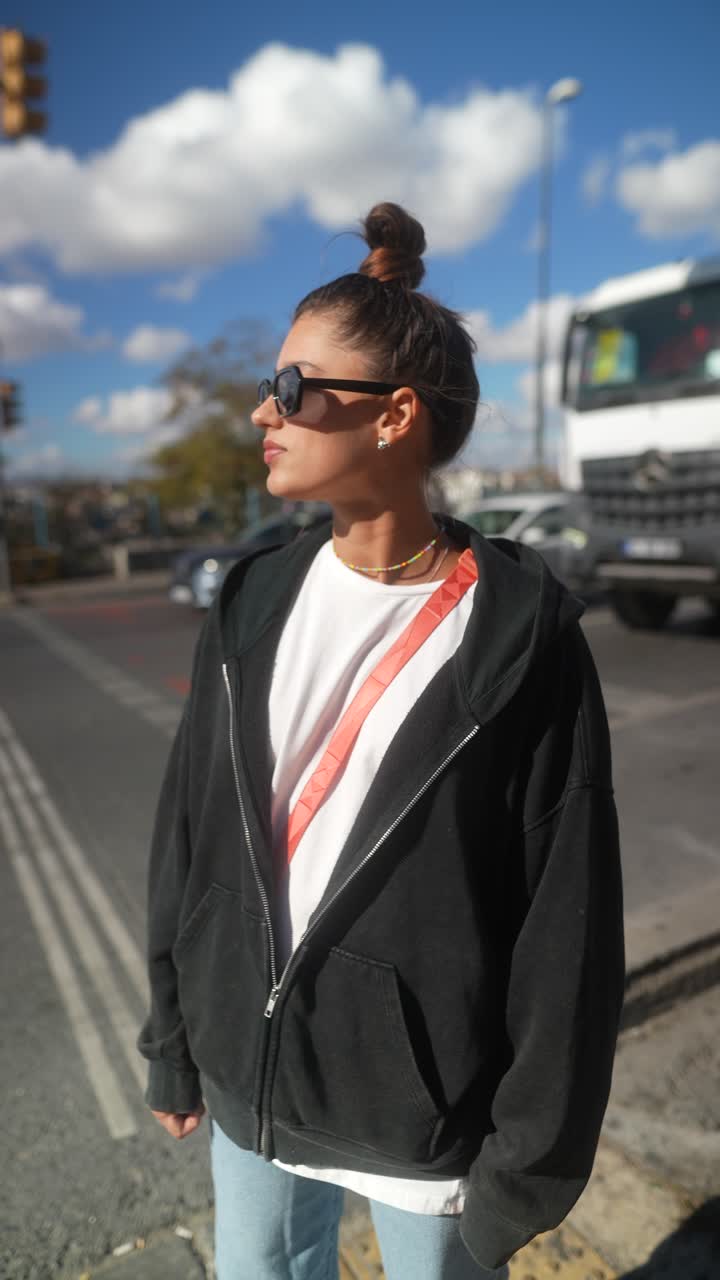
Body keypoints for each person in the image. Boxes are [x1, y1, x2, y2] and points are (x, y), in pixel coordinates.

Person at [138, 202, 625, 1279]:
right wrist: (175, 1041)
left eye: (295, 389)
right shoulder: (252, 597)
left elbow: (568, 927)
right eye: (270, 385)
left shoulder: (517, 635)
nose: (266, 411)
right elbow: (190, 833)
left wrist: (526, 1168)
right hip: (249, 1078)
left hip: (425, 1125)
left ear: (396, 415)